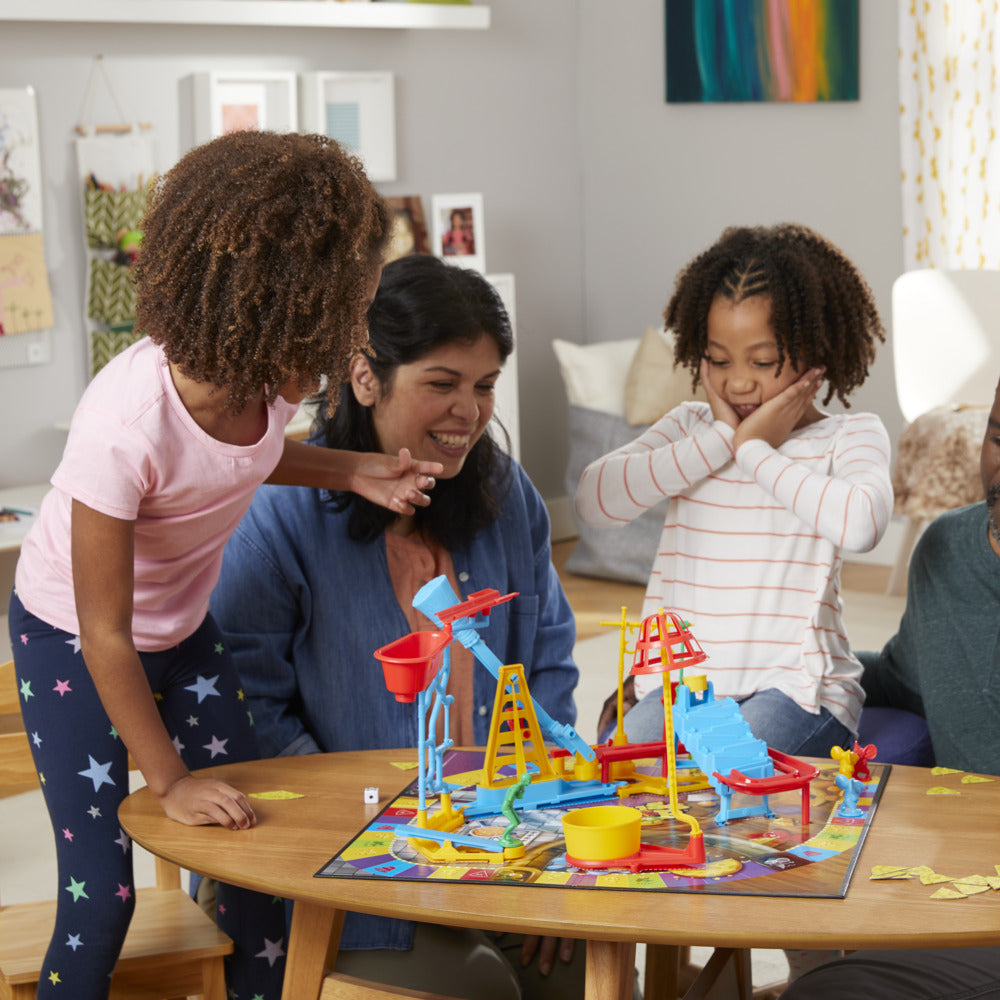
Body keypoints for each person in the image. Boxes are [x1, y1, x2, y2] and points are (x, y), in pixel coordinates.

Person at [8, 131, 441, 1000]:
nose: (353, 327)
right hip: (76, 642)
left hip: (181, 627)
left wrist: (350, 468)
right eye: (346, 303)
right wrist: (167, 779)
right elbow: (104, 633)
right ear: (286, 302)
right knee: (105, 901)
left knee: (256, 865)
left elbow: (242, 455)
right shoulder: (122, 426)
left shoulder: (272, 380)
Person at [209, 253, 590, 1000]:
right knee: (481, 989)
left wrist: (553, 850)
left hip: (498, 841)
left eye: (484, 387)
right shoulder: (278, 514)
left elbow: (547, 670)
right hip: (340, 867)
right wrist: (390, 838)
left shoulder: (506, 494)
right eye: (441, 384)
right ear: (364, 377)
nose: (470, 412)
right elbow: (250, 715)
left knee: (589, 970)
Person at [577, 223, 892, 760]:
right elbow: (594, 501)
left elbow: (862, 524)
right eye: (718, 361)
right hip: (687, 687)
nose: (738, 383)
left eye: (762, 362)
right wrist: (722, 438)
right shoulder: (691, 429)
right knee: (633, 768)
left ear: (815, 353)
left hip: (797, 690)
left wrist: (754, 452)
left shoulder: (848, 435)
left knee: (734, 768)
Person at [775, 375, 1000, 1000]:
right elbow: (902, 676)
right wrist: (767, 668)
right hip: (965, 889)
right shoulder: (949, 551)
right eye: (999, 436)